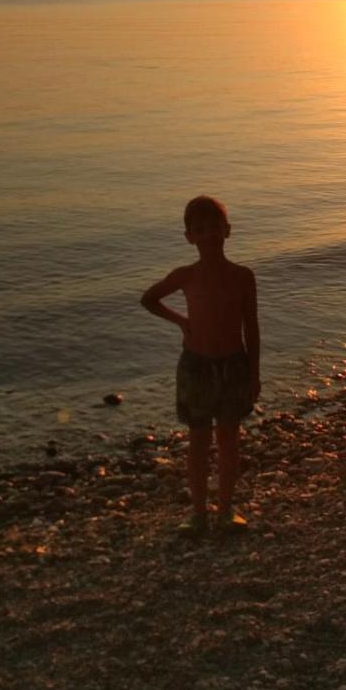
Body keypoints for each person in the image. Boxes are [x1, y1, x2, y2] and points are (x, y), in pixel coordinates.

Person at [141, 195, 260, 534]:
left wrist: (254, 374)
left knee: (229, 439)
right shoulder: (185, 275)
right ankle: (197, 513)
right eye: (200, 230)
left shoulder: (242, 276)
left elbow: (251, 327)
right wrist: (181, 321)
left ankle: (225, 509)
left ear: (227, 230)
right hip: (196, 366)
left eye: (214, 228)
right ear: (189, 237)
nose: (208, 235)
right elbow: (149, 299)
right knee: (198, 441)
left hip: (233, 365)